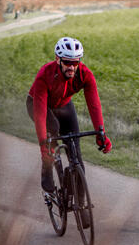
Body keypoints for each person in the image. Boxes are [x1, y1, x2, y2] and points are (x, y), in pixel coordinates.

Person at [27, 36, 112, 196]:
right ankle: (47, 167)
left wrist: (101, 134)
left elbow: (94, 105)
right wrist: (43, 147)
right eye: (67, 62)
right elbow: (40, 115)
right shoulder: (45, 75)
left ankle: (81, 205)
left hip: (64, 106)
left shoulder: (85, 75)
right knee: (53, 128)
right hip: (38, 104)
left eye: (75, 62)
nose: (71, 67)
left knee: (76, 152)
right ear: (57, 59)